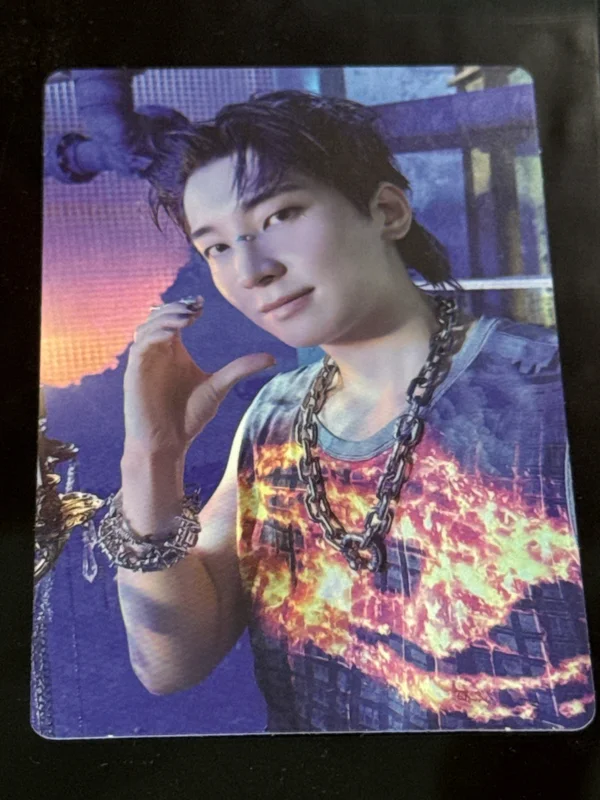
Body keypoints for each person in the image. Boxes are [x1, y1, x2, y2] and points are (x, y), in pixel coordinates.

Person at [98, 90, 593, 732]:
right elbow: (171, 663)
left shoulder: (550, 391)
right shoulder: (275, 417)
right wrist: (152, 456)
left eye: (281, 214)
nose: (252, 269)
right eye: (215, 247)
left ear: (386, 211)